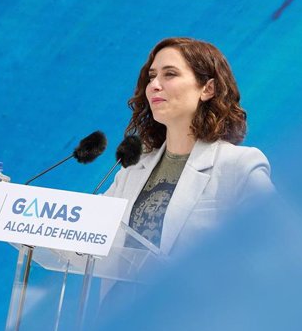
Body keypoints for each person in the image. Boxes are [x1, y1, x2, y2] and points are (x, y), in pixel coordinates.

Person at [103, 37, 275, 258]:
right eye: (152, 76)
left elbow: (274, 240)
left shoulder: (238, 165)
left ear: (208, 89)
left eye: (170, 74)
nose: (154, 85)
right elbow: (86, 232)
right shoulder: (133, 168)